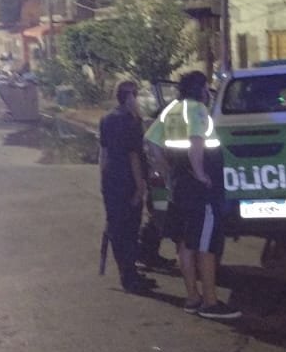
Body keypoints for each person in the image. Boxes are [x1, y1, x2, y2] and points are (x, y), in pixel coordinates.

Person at [145, 71, 240, 320]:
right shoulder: (197, 109)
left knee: (184, 244)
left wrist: (166, 171)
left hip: (178, 188)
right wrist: (200, 173)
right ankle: (210, 302)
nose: (208, 92)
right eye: (206, 87)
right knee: (206, 245)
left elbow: (152, 142)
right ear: (199, 89)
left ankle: (192, 298)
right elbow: (196, 140)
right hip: (201, 191)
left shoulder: (172, 109)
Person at [100, 80, 154, 294]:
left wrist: (101, 181)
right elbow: (134, 156)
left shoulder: (106, 119)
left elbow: (103, 153)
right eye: (136, 95)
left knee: (116, 229)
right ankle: (130, 277)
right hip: (128, 181)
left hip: (110, 180)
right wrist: (140, 188)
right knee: (130, 230)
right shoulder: (131, 121)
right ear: (131, 96)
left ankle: (127, 272)